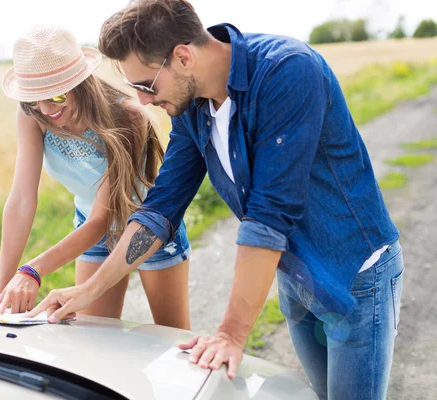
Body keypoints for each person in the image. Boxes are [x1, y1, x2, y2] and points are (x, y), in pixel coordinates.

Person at [29, 1, 404, 399]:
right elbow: (160, 208)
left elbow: (270, 214)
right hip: (295, 274)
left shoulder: (289, 71)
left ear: (183, 57)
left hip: (354, 276)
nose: (141, 101)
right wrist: (88, 292)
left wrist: (230, 334)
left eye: (145, 86)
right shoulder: (191, 106)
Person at [0, 24, 192, 330]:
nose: (44, 109)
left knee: (172, 338)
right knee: (93, 339)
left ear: (79, 82)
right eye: (33, 99)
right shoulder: (33, 116)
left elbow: (102, 219)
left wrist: (32, 270)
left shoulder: (127, 116)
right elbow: (21, 200)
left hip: (147, 229)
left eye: (55, 97)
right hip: (88, 227)